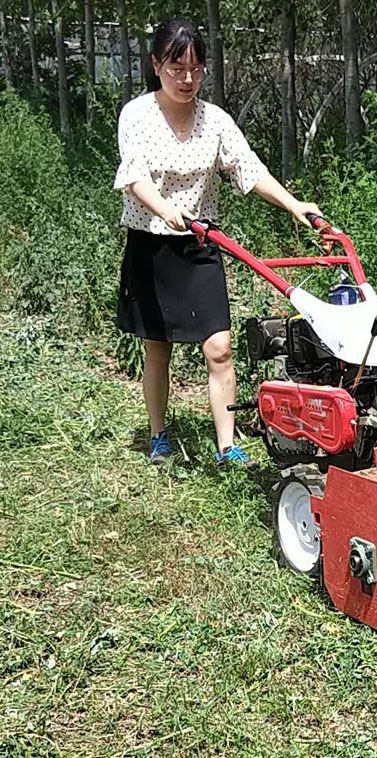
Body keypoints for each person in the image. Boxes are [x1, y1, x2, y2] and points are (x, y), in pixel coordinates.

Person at [114, 17, 322, 467]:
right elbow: (133, 175)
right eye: (175, 68)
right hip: (152, 244)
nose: (186, 79)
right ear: (156, 65)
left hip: (200, 242)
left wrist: (293, 204)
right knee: (158, 345)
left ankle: (227, 446)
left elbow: (249, 170)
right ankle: (158, 435)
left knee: (220, 346)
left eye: (195, 68)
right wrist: (164, 209)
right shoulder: (137, 114)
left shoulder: (215, 121)